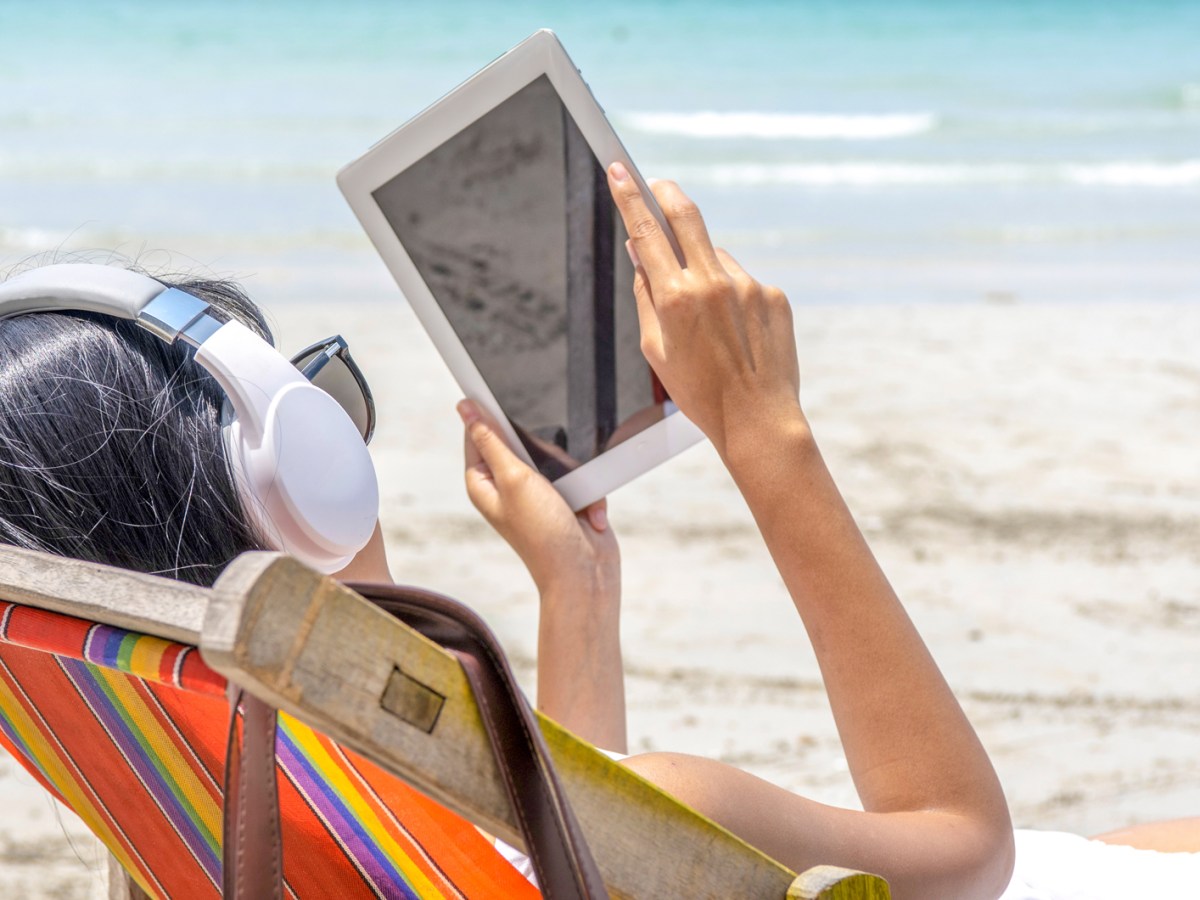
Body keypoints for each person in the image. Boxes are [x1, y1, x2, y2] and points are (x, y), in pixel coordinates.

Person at [0, 170, 1196, 900]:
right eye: (321, 403)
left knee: (1146, 838)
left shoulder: (213, 807)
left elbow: (555, 861)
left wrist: (576, 588)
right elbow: (969, 848)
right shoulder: (676, 800)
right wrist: (766, 435)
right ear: (294, 480)